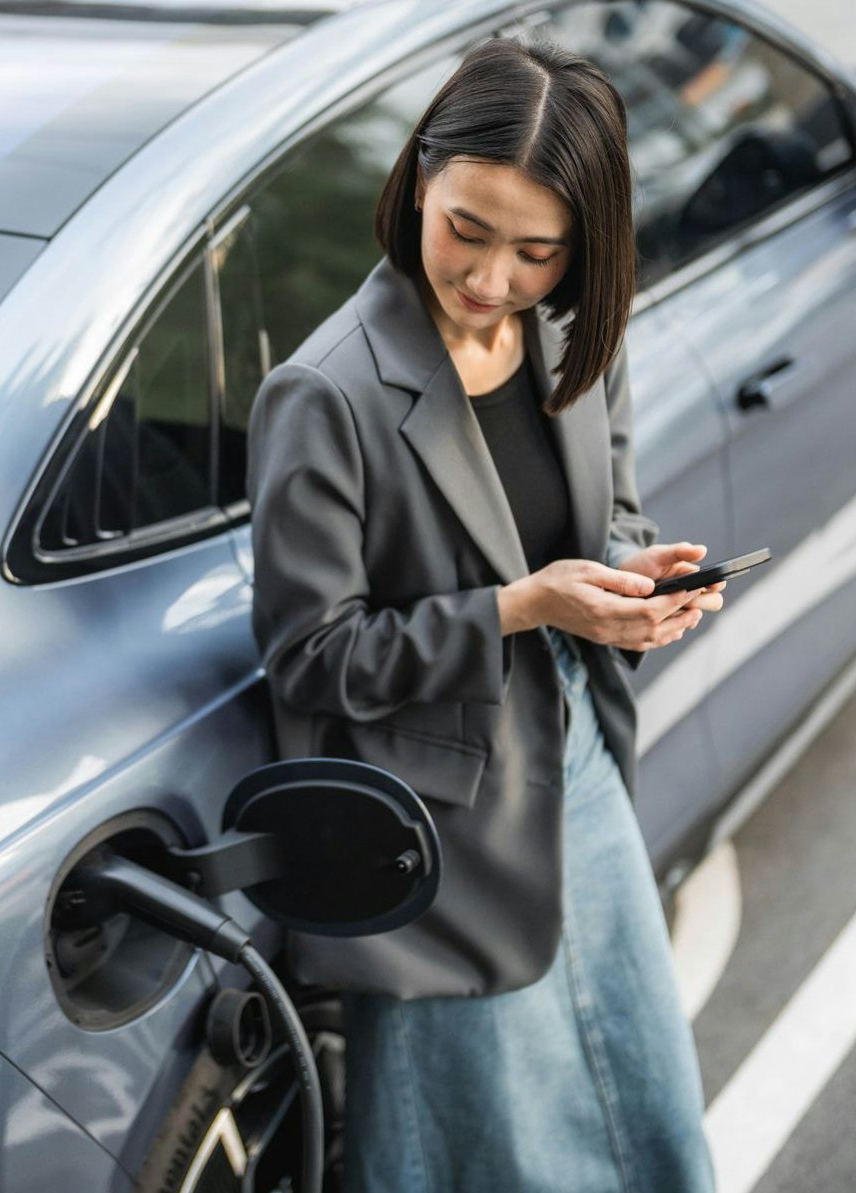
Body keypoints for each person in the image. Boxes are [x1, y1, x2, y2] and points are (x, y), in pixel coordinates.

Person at [243, 32, 724, 1193]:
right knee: (482, 1148)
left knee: (642, 1100)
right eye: (468, 228)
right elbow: (311, 655)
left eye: (537, 251)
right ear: (420, 176)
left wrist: (627, 581)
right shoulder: (325, 392)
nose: (493, 278)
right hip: (439, 827)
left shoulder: (573, 333)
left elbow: (607, 512)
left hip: (577, 759)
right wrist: (519, 606)